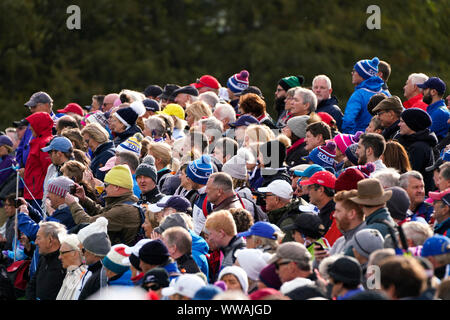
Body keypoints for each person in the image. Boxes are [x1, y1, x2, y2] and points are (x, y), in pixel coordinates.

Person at [65, 165, 141, 246]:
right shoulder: (130, 201)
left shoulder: (123, 210)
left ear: (116, 187)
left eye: (106, 185)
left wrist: (73, 204)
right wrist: (84, 199)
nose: (104, 189)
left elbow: (87, 224)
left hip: (116, 256)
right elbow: (103, 213)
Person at [342, 57, 390, 134]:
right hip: (381, 140)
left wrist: (351, 138)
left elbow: (348, 120)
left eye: (354, 71)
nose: (352, 73)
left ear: (362, 74)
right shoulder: (386, 94)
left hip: (361, 141)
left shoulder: (358, 95)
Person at [397, 108, 438, 193]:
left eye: (402, 122)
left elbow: (409, 174)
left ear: (412, 124)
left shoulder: (419, 147)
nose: (399, 124)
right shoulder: (407, 141)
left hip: (417, 193)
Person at [25, 221, 67, 300]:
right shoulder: (43, 258)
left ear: (50, 240)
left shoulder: (65, 262)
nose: (36, 242)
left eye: (38, 238)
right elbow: (32, 284)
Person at [300, 171, 342, 246]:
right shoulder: (328, 211)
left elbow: (327, 247)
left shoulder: (335, 215)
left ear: (320, 190)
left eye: (310, 188)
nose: (308, 192)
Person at [23, 112, 54, 211]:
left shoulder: (45, 143)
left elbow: (49, 171)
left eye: (32, 124)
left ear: (40, 125)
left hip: (38, 194)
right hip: (33, 192)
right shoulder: (39, 142)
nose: (30, 128)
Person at [76, 217, 111, 300]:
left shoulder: (102, 276)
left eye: (83, 250)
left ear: (94, 252)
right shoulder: (91, 269)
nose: (78, 246)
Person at [41, 136, 75, 212]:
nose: (48, 155)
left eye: (50, 152)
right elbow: (45, 192)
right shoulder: (51, 168)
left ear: (59, 153)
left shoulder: (74, 170)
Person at [329, 190, 366, 256]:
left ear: (351, 214)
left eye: (338, 211)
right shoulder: (340, 241)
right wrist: (319, 260)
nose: (334, 215)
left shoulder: (364, 241)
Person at [186, 155, 214, 235]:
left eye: (189, 176)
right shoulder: (199, 194)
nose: (187, 179)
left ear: (196, 179)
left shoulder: (211, 200)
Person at [56, 234, 87, 300]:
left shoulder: (85, 277)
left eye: (62, 253)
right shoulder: (70, 273)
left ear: (74, 253)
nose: (59, 257)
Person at [417, 77, 449, 141]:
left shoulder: (440, 113)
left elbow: (420, 134)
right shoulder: (435, 110)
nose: (422, 92)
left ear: (433, 92)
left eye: (425, 89)